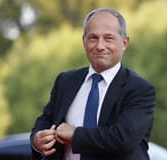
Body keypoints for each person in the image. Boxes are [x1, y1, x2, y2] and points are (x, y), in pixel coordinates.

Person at [30, 8, 156, 160]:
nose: (100, 46)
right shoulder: (65, 81)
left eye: (108, 38)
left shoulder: (139, 89)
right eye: (93, 38)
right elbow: (46, 119)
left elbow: (123, 138)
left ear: (124, 43)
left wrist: (75, 134)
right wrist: (37, 140)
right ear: (84, 41)